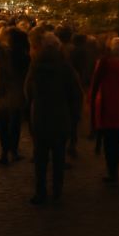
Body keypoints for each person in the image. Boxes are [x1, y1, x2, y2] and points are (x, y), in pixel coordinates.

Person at [24, 34, 82, 204]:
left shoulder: (36, 66)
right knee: (58, 157)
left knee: (40, 158)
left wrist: (33, 105)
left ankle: (40, 192)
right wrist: (74, 115)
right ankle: (57, 191)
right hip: (61, 116)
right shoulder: (66, 67)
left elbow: (28, 90)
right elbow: (75, 93)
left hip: (41, 115)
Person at [90, 36, 119, 183]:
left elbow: (95, 81)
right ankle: (115, 169)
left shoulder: (105, 62)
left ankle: (111, 170)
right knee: (118, 141)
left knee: (109, 140)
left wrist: (91, 99)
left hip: (108, 103)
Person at [0, 27, 27, 164]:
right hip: (18, 94)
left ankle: (4, 153)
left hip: (4, 94)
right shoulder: (24, 55)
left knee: (4, 125)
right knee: (15, 124)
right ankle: (14, 151)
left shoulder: (1, 55)